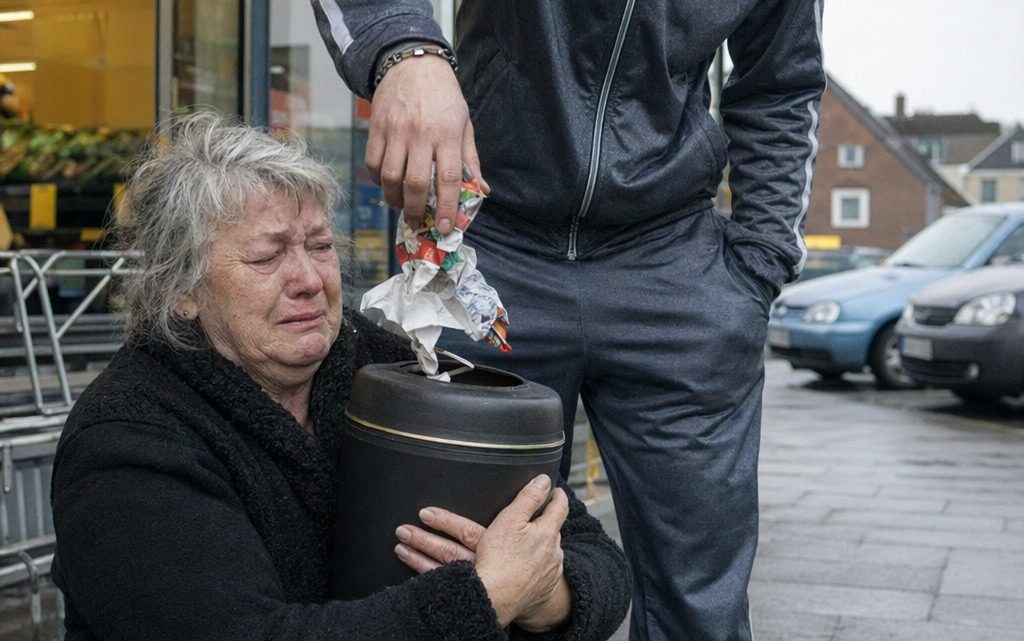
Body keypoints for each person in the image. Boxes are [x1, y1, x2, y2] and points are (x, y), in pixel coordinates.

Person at [312, 1, 826, 640]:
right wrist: (404, 51)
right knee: (445, 559)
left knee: (700, 607)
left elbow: (783, 83)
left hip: (675, 269)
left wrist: (760, 265)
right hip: (489, 244)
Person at [49, 111, 630, 641]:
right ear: (181, 291)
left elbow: (593, 556)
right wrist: (485, 596)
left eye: (320, 246)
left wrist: (547, 594)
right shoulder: (129, 437)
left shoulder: (383, 362)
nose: (308, 279)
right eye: (265, 257)